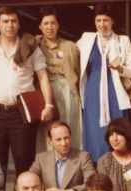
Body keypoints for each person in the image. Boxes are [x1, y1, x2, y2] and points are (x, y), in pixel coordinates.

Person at [0, 6, 55, 186]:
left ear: (19, 23)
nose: (10, 25)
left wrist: (49, 105)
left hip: (21, 114)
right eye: (5, 21)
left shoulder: (30, 47)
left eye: (14, 21)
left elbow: (43, 78)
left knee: (24, 161)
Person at [77, 3, 131, 162]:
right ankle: (96, 166)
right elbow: (69, 52)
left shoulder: (122, 41)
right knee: (94, 129)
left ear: (113, 21)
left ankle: (119, 163)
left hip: (114, 91)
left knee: (117, 128)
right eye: (98, 20)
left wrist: (121, 68)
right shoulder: (87, 38)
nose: (102, 24)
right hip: (93, 90)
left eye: (105, 20)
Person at [35, 6, 83, 153]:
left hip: (68, 93)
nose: (50, 27)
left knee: (70, 130)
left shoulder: (70, 46)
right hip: (45, 94)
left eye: (53, 23)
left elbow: (77, 71)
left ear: (58, 25)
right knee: (48, 132)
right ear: (40, 26)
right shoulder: (35, 45)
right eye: (46, 24)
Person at [29, 122, 96, 191]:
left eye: (66, 138)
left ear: (71, 136)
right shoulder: (41, 158)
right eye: (58, 139)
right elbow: (26, 180)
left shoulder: (83, 157)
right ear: (50, 141)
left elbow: (92, 183)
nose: (64, 143)